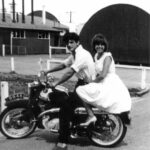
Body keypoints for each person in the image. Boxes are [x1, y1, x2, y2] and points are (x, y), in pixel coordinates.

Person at [44, 32, 95, 150]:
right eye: (67, 43)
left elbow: (70, 72)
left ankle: (62, 142)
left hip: (86, 87)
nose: (68, 44)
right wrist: (47, 71)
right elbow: (63, 65)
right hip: (82, 85)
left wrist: (56, 83)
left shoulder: (82, 54)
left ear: (78, 42)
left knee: (65, 108)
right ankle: (72, 125)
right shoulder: (74, 55)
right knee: (62, 96)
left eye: (71, 42)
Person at [76, 33, 132, 126]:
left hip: (109, 82)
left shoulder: (107, 57)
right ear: (94, 45)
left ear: (105, 46)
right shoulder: (96, 56)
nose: (100, 46)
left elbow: (103, 75)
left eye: (102, 44)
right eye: (97, 44)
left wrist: (91, 82)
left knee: (80, 90)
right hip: (102, 81)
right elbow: (96, 72)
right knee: (87, 90)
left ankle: (90, 115)